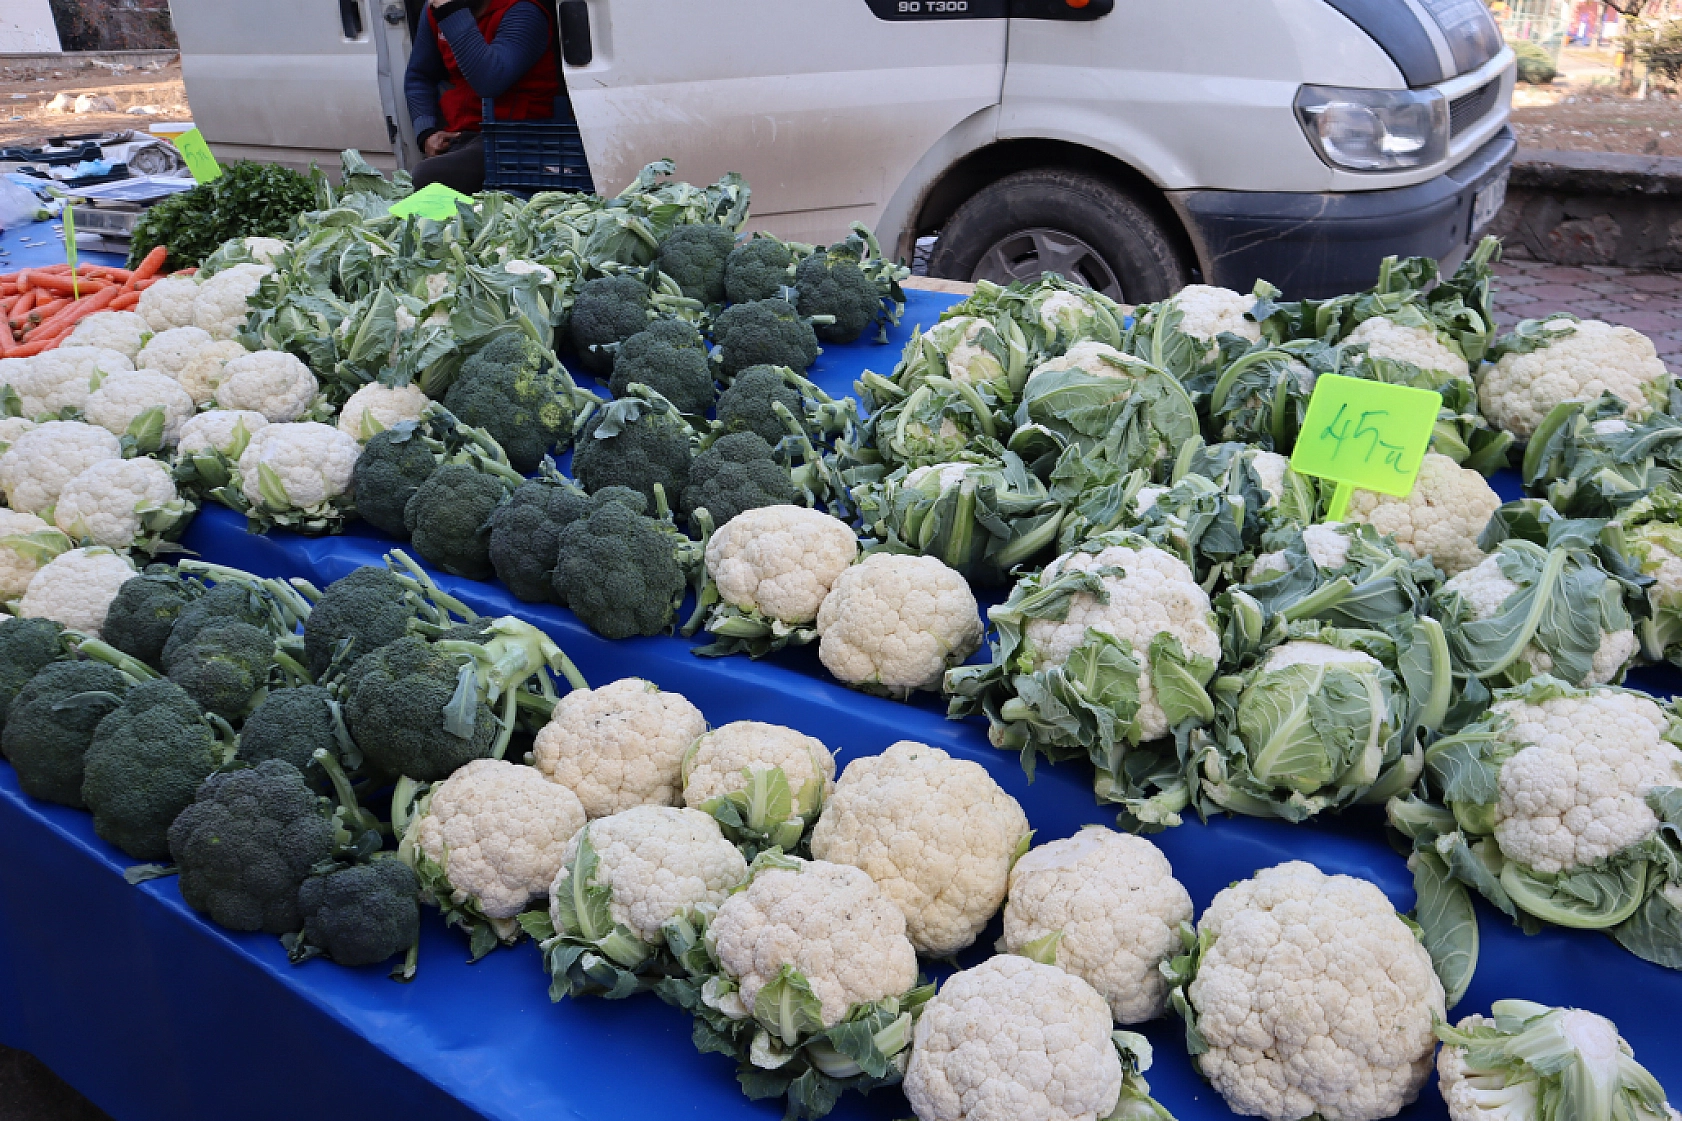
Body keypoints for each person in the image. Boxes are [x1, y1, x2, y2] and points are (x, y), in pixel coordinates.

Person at [404, 0, 562, 194]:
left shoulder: (523, 11)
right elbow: (419, 76)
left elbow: (490, 81)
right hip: (464, 138)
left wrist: (451, 12)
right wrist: (427, 131)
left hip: (518, 140)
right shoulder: (434, 10)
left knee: (426, 175)